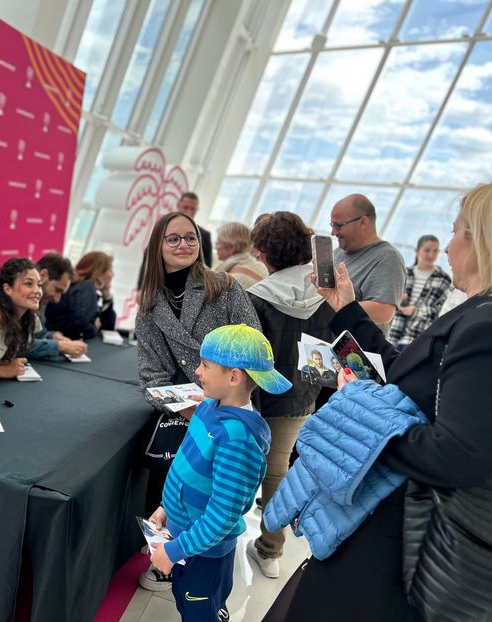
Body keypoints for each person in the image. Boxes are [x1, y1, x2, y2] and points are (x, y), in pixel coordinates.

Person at [267, 183, 492, 621]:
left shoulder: (482, 327)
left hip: (400, 537)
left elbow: (459, 455)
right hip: (383, 522)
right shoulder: (472, 314)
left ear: (480, 239)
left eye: (455, 233)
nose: (447, 248)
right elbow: (399, 371)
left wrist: (361, 417)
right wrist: (346, 308)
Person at [136, 210, 261, 592]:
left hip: (229, 402)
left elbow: (253, 345)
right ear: (158, 245)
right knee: (175, 480)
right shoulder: (150, 303)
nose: (184, 244)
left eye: (190, 237)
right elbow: (151, 374)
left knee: (218, 493)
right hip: (183, 409)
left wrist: (220, 399)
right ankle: (167, 556)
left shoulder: (222, 286)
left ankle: (204, 565)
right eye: (173, 238)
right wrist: (184, 405)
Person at [148, 324, 290, 621]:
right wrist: (166, 508)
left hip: (203, 552)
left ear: (234, 377)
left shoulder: (237, 440)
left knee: (198, 609)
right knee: (187, 600)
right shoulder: (208, 407)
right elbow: (188, 467)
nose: (197, 371)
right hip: (186, 537)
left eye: (204, 365)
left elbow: (223, 516)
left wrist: (174, 551)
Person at [244, 211, 335, 578]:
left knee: (231, 466)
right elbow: (328, 353)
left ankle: (214, 538)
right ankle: (271, 550)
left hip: (254, 398)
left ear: (265, 252)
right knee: (277, 472)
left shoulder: (255, 298)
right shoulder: (327, 294)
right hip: (301, 398)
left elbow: (246, 355)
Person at [330, 194, 405, 334]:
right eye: (332, 225)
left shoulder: (388, 258)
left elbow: (383, 311)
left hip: (353, 348)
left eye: (339, 225)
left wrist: (333, 306)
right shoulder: (338, 253)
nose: (333, 232)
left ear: (363, 222)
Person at [388, 234, 452, 350]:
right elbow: (387, 302)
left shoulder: (443, 279)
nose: (431, 255)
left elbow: (439, 310)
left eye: (435, 251)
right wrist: (397, 297)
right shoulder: (404, 273)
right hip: (393, 333)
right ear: (417, 251)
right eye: (427, 250)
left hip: (418, 337)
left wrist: (415, 311)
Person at [137, 192, 213, 287]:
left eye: (193, 209)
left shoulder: (205, 235)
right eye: (186, 207)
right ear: (178, 205)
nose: (189, 212)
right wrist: (141, 287)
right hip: (161, 284)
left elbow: (207, 266)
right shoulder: (163, 228)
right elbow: (149, 258)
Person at [27, 253, 88, 360]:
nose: (57, 300)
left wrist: (52, 336)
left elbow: (36, 334)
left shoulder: (41, 300)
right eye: (57, 290)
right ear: (42, 276)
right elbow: (14, 346)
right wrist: (60, 346)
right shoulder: (18, 299)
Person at [44, 251, 116, 339]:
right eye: (110, 270)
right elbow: (81, 327)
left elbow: (108, 328)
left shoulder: (80, 286)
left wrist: (107, 296)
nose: (113, 275)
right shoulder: (86, 288)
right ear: (99, 272)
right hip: (58, 339)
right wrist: (94, 328)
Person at [215, 222, 267, 288]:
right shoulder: (258, 266)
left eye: (217, 243)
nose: (215, 247)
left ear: (231, 247)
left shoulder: (231, 279)